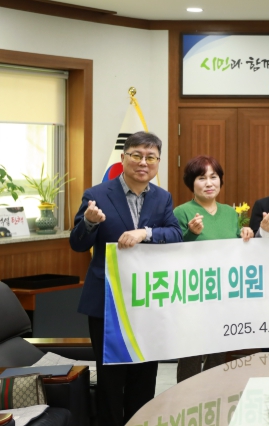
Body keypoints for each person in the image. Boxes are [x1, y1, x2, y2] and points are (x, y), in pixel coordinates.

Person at [70, 131, 182, 426]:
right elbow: (77, 244)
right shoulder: (96, 195)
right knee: (110, 380)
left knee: (144, 376)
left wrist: (146, 233)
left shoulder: (162, 197)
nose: (144, 162)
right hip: (107, 303)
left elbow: (175, 234)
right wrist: (89, 223)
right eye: (137, 155)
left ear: (158, 162)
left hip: (147, 300)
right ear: (123, 158)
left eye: (151, 157)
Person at [173, 155, 254, 382]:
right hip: (193, 294)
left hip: (223, 293)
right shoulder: (182, 212)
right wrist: (191, 233)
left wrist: (246, 234)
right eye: (201, 178)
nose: (209, 183)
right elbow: (172, 252)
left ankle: (213, 396)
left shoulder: (230, 213)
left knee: (218, 352)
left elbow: (239, 250)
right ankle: (187, 399)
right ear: (191, 183)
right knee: (190, 353)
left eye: (214, 177)